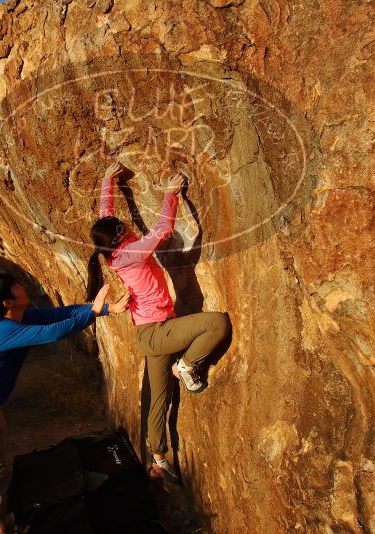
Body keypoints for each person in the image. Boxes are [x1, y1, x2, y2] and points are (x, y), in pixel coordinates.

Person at [85, 161, 231, 484]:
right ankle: (188, 367)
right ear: (121, 234)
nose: (124, 221)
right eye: (122, 224)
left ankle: (158, 458)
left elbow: (105, 213)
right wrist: (171, 195)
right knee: (218, 324)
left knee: (158, 398)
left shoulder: (112, 249)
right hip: (157, 332)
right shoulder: (131, 252)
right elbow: (162, 231)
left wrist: (109, 181)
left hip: (148, 331)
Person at [0, 274, 129, 534]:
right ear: (8, 302)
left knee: (1, 467)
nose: (22, 287)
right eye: (16, 288)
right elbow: (53, 333)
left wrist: (106, 310)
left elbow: (62, 314)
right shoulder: (2, 330)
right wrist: (93, 314)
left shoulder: (23, 316)